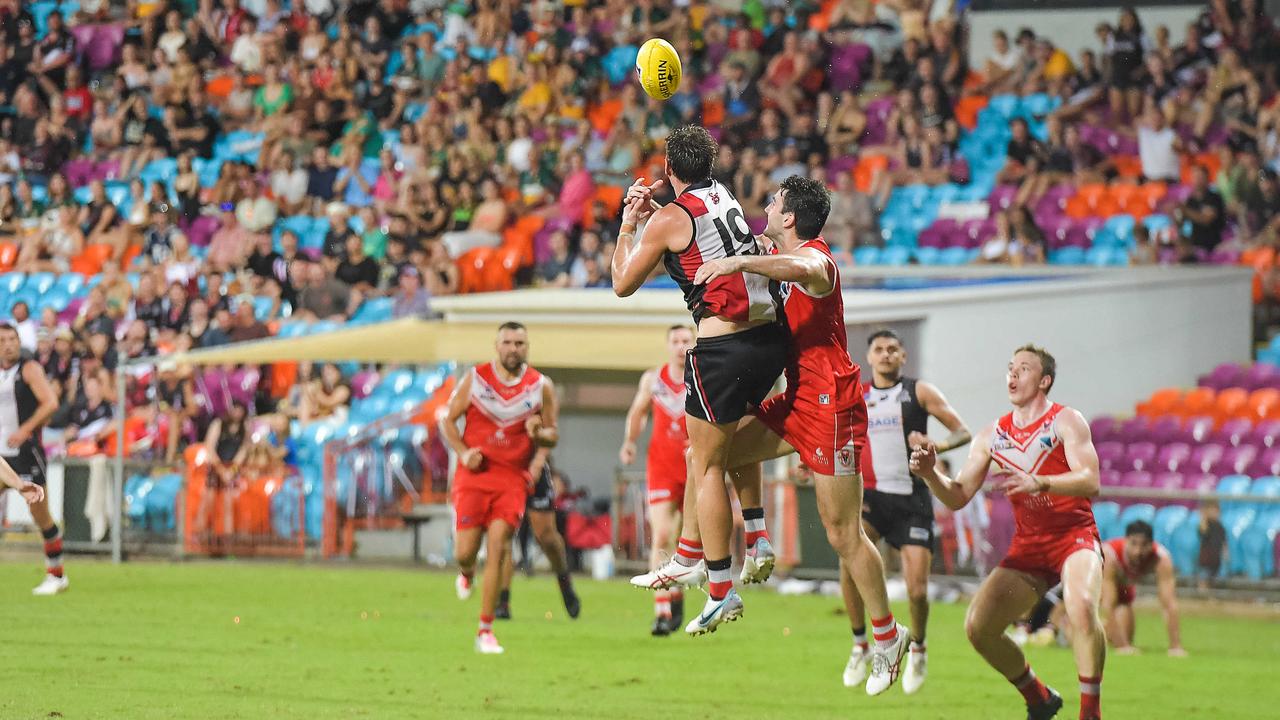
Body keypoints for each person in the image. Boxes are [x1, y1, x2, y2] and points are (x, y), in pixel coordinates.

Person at [629, 176, 910, 694]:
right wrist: (653, 215)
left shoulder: (816, 259)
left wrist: (740, 263)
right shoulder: (771, 250)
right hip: (797, 395)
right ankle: (717, 551)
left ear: (790, 218)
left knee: (842, 533)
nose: (767, 205)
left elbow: (808, 270)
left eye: (776, 202)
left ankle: (889, 638)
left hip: (832, 404)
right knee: (714, 453)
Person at [611, 125, 789, 635]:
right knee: (725, 446)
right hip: (768, 340)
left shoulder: (670, 217)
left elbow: (623, 283)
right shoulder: (722, 193)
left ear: (669, 169)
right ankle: (744, 539)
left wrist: (630, 225)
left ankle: (719, 588)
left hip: (724, 347)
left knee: (705, 463)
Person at [909, 344, 1104, 720]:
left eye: (1024, 369)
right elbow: (958, 495)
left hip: (1074, 537)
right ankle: (1039, 698)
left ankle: (1090, 713)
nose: (1012, 375)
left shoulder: (1066, 421)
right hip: (1030, 547)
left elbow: (1091, 480)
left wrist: (1041, 482)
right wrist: (931, 472)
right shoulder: (991, 434)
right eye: (1010, 368)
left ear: (1044, 380)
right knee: (978, 628)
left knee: (1080, 606)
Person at [842, 329, 972, 694]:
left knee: (916, 590)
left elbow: (963, 432)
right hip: (871, 496)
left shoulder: (920, 392)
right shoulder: (858, 394)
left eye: (892, 350)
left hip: (912, 499)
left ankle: (918, 647)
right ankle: (860, 646)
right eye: (878, 350)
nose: (885, 355)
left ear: (903, 357)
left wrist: (937, 443)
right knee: (848, 565)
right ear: (868, 358)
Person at [442, 322, 561, 654]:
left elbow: (553, 434)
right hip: (475, 476)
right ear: (496, 346)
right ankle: (466, 573)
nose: (514, 348)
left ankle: (486, 629)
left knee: (498, 546)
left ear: (527, 346)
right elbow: (448, 420)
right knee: (465, 552)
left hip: (512, 479)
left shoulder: (540, 386)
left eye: (520, 342)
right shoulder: (476, 380)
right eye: (508, 342)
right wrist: (464, 453)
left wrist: (538, 434)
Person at [619, 324, 695, 636]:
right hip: (662, 467)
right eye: (675, 341)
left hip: (694, 467)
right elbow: (637, 412)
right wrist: (630, 441)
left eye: (686, 340)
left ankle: (676, 592)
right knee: (662, 534)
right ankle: (662, 608)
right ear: (667, 345)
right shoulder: (653, 379)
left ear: (694, 342)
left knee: (686, 538)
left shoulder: (702, 375)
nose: (680, 346)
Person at [0, 324, 62, 594]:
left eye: (13, 339)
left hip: (27, 453)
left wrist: (26, 429)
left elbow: (50, 402)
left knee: (40, 514)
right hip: (1, 453)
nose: (9, 345)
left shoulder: (29, 369)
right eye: (3, 340)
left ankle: (56, 574)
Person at [1101, 521, 1185, 656]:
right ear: (1125, 541)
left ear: (1152, 544)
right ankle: (1066, 625)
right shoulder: (1110, 555)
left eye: (1144, 545)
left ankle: (1103, 629)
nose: (1138, 551)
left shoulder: (1161, 558)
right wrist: (1122, 647)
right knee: (1085, 632)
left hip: (1123, 592)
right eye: (1133, 543)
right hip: (1093, 590)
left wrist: (1175, 646)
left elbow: (1169, 602)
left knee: (1125, 636)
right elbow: (1108, 603)